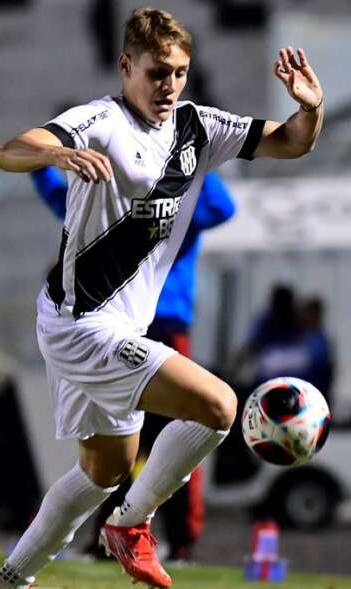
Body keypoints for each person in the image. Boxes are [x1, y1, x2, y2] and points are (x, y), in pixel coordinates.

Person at [0, 6, 324, 589]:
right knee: (218, 407)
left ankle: (8, 585)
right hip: (81, 324)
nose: (169, 86)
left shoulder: (198, 127)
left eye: (180, 73)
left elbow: (292, 141)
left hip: (106, 324)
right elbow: (10, 150)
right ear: (126, 65)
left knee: (102, 470)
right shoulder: (101, 119)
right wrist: (56, 156)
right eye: (158, 72)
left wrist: (310, 108)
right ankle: (132, 524)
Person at [30, 166, 237, 562]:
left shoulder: (177, 204)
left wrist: (199, 158)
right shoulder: (115, 203)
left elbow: (222, 208)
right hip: (114, 326)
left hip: (162, 324)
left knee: (183, 430)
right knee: (119, 436)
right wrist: (42, 164)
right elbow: (65, 202)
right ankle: (111, 537)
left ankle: (181, 540)